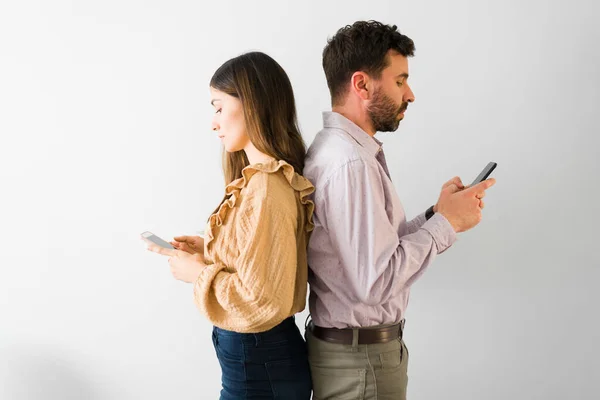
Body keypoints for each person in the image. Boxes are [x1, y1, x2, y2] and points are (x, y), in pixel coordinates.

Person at [303, 21, 496, 399]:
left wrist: (436, 214)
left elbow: (374, 252)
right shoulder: (350, 163)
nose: (410, 94)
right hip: (362, 363)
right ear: (361, 84)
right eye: (400, 80)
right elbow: (375, 282)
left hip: (360, 357)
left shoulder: (344, 152)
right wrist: (446, 224)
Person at [145, 51, 314, 400]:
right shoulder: (259, 183)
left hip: (259, 361)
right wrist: (209, 250)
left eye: (219, 107)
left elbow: (260, 299)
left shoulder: (267, 188)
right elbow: (261, 265)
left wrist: (198, 275)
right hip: (258, 360)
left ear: (251, 104)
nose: (213, 122)